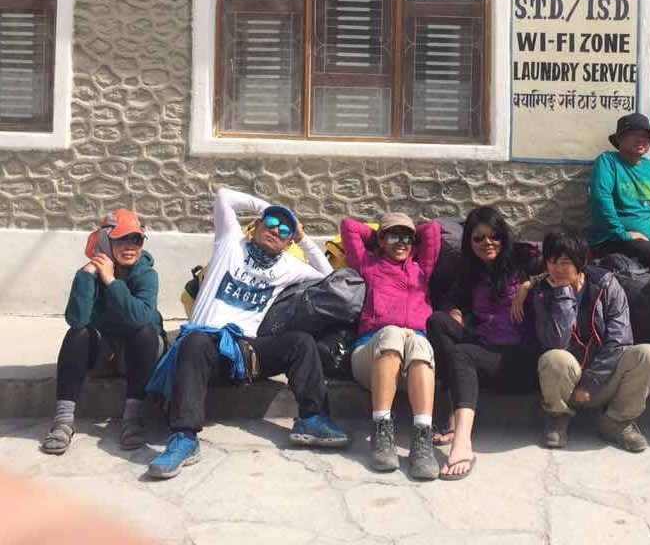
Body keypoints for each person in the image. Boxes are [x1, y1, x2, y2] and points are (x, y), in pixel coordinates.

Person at [146, 188, 349, 479]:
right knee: (195, 340)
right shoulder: (230, 244)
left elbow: (331, 278)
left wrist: (303, 238)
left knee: (301, 343)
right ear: (257, 225)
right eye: (271, 222)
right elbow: (223, 196)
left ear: (288, 242)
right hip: (206, 354)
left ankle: (312, 418)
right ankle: (185, 438)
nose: (275, 230)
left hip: (246, 356)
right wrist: (269, 207)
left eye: (284, 230)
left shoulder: (289, 266)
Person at [426, 206, 540, 480]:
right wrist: (453, 310)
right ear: (470, 242)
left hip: (520, 359)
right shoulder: (471, 273)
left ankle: (462, 441)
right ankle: (456, 407)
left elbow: (565, 265)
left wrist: (529, 284)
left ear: (503, 236)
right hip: (486, 349)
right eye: (478, 238)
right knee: (437, 321)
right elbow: (449, 298)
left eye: (493, 236)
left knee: (462, 354)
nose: (487, 243)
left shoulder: (524, 259)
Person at [529, 226, 650, 452]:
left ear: (580, 262)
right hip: (566, 382)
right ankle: (558, 419)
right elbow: (555, 343)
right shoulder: (543, 292)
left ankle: (617, 422)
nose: (558, 269)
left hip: (604, 379)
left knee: (649, 356)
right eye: (552, 262)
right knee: (554, 358)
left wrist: (590, 383)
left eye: (565, 262)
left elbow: (619, 342)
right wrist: (562, 295)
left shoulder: (606, 285)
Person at [41, 210, 165, 455]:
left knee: (145, 332)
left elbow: (139, 318)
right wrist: (86, 276)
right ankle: (63, 421)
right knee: (78, 334)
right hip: (105, 356)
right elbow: (76, 319)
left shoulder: (147, 275)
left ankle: (132, 419)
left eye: (136, 239)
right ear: (105, 242)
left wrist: (111, 281)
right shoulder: (91, 273)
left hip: (140, 357)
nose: (130, 246)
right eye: (121, 239)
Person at [340, 212, 441, 480]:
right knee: (393, 333)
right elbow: (349, 227)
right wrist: (378, 236)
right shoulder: (369, 265)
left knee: (420, 342)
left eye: (407, 237)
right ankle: (381, 429)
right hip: (371, 355)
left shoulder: (421, 270)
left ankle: (422, 438)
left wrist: (404, 233)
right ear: (381, 241)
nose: (402, 242)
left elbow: (432, 229)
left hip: (411, 363)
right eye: (394, 236)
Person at [589, 112, 650, 271]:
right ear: (620, 139)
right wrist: (624, 234)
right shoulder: (608, 161)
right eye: (635, 134)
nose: (641, 139)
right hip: (612, 242)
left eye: (645, 136)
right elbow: (601, 200)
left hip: (645, 247)